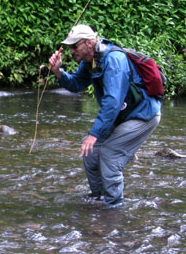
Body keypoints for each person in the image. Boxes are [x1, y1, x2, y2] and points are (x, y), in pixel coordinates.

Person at [48, 24, 161, 208]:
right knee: (91, 153)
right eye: (70, 47)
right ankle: (99, 199)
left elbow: (112, 102)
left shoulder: (114, 60)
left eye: (74, 46)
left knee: (109, 155)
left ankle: (113, 208)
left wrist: (95, 134)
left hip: (143, 115)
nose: (71, 51)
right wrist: (58, 72)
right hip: (124, 115)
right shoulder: (90, 61)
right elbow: (76, 84)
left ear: (89, 43)